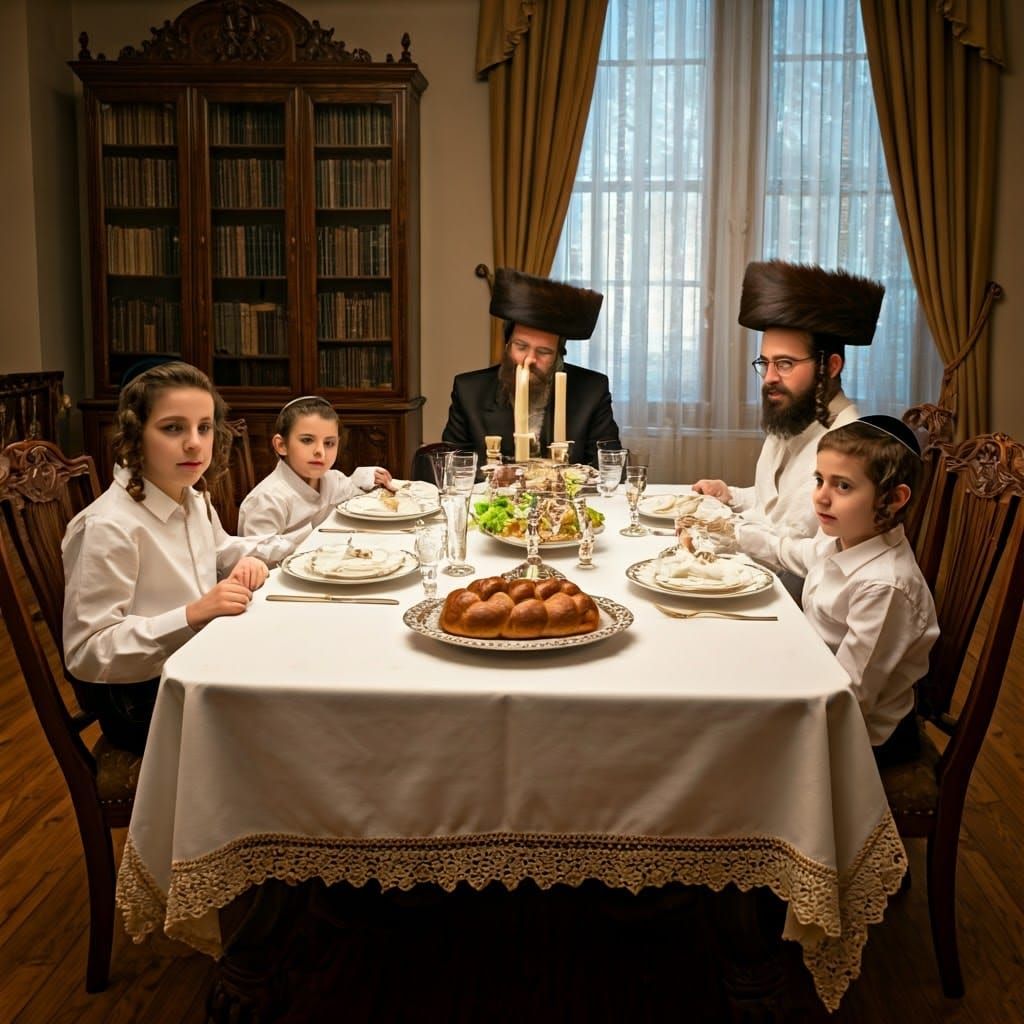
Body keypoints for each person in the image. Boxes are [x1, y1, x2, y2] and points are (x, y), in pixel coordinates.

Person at [62, 361, 271, 754]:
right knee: (290, 717)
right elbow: (87, 652)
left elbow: (221, 549)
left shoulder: (190, 496)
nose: (194, 442)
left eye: (204, 427)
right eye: (173, 428)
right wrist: (190, 615)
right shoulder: (109, 526)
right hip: (142, 703)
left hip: (196, 669)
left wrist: (251, 561)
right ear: (135, 434)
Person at [738, 415, 939, 763]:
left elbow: (851, 697)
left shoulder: (883, 585)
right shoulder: (845, 541)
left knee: (730, 735)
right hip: (817, 682)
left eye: (843, 486)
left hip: (863, 737)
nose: (821, 498)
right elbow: (794, 552)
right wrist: (734, 533)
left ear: (893, 499)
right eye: (819, 480)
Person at [693, 260, 884, 570]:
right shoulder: (795, 415)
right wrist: (731, 496)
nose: (769, 378)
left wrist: (730, 529)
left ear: (831, 367)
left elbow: (806, 553)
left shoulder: (850, 446)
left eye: (784, 364)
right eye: (764, 363)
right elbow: (779, 504)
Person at [442, 267, 621, 467]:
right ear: (507, 345)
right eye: (521, 346)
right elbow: (452, 468)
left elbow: (611, 466)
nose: (530, 359)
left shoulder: (592, 390)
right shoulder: (469, 391)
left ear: (558, 355)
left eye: (544, 352)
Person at [238, 395, 392, 560]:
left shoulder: (332, 479)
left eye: (329, 443)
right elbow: (257, 561)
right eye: (307, 440)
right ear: (281, 445)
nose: (320, 451)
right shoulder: (266, 500)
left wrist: (368, 476)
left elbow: (355, 490)